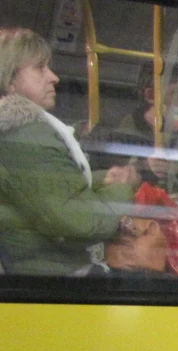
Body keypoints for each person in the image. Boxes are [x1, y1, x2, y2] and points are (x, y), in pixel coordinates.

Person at [0, 27, 140, 275]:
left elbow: (43, 186)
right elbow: (82, 223)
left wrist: (102, 178)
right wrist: (122, 187)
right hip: (49, 275)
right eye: (40, 68)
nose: (53, 77)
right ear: (9, 80)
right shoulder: (22, 133)